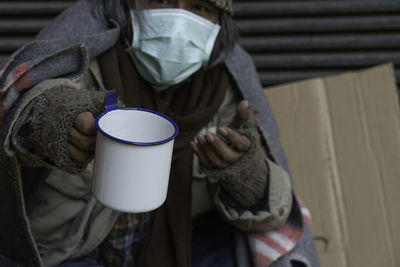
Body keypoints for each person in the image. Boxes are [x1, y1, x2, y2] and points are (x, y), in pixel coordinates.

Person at [0, 0, 320, 266]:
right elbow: (27, 106)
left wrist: (246, 175)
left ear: (220, 22)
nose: (179, 19)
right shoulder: (80, 58)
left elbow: (273, 214)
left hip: (186, 248)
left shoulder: (225, 89)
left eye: (199, 6)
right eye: (162, 1)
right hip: (73, 253)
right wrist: (54, 119)